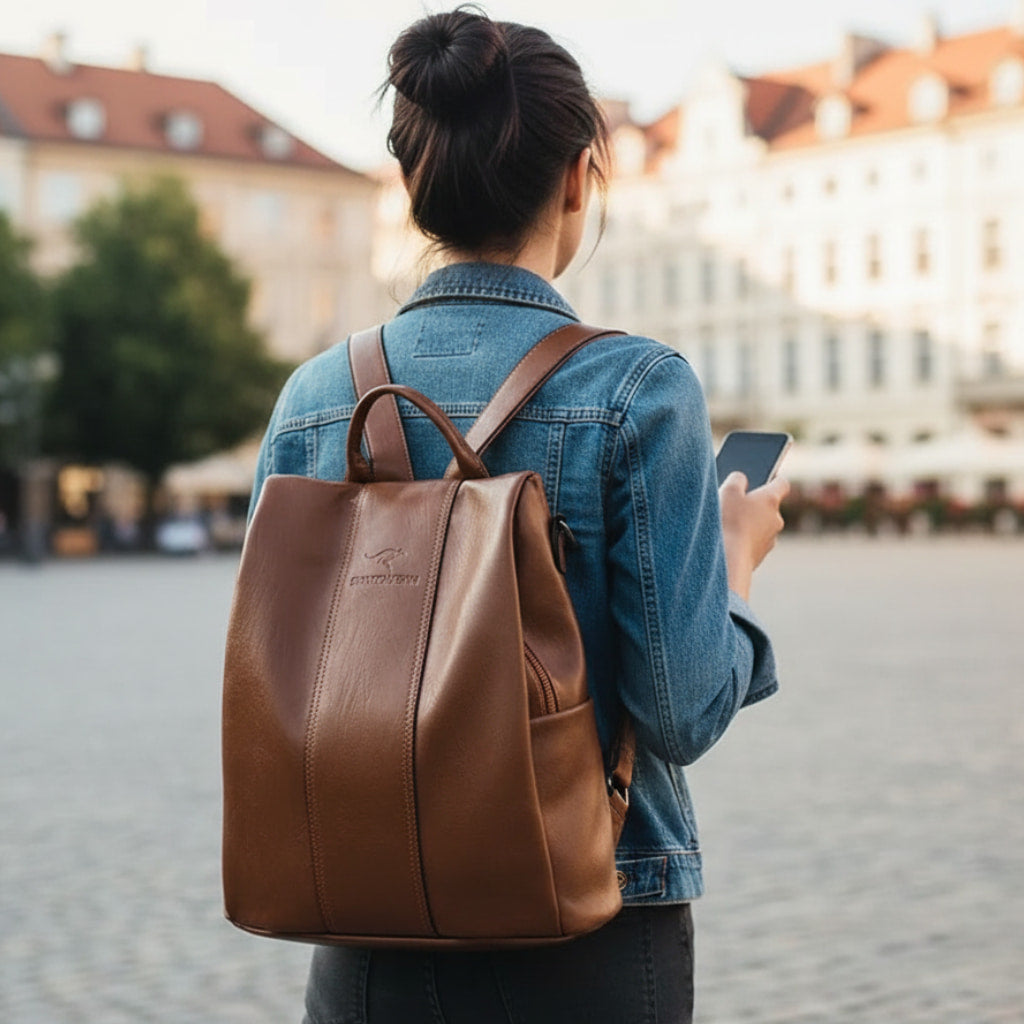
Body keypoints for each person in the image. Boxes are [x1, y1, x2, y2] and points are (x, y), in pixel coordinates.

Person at [248, 8, 787, 1022]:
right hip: (588, 919)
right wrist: (735, 563)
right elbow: (681, 712)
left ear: (412, 181)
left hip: (363, 920)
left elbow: (278, 674)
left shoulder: (312, 398)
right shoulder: (639, 388)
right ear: (580, 178)